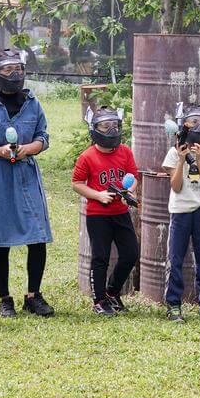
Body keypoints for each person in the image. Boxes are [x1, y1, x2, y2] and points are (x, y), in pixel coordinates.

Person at [0, 49, 55, 318]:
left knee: (37, 236)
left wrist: (28, 149)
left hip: (27, 174)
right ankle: (5, 299)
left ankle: (33, 295)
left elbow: (43, 138)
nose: (14, 74)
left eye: (18, 68)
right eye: (7, 70)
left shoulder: (33, 104)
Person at [71, 106, 140, 316]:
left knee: (130, 253)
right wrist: (99, 195)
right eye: (105, 126)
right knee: (100, 257)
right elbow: (77, 183)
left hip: (120, 212)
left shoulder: (125, 152)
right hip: (97, 215)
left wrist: (129, 191)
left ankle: (112, 292)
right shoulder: (87, 157)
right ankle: (99, 300)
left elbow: (133, 176)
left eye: (115, 126)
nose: (111, 131)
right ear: (94, 130)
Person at [161, 102, 200, 322]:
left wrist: (198, 159)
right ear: (184, 125)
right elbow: (176, 186)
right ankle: (174, 305)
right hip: (180, 211)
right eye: (194, 122)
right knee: (175, 258)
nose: (199, 126)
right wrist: (181, 160)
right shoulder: (173, 153)